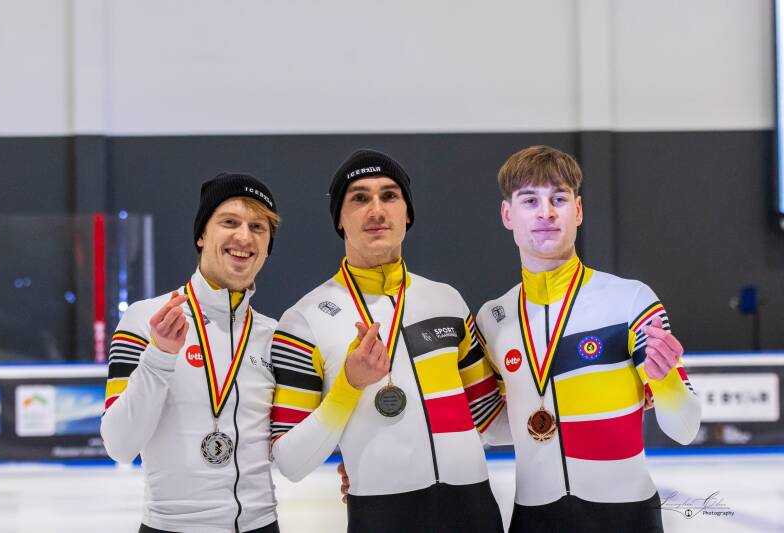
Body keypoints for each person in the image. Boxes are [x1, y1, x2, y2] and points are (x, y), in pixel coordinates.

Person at [270, 149, 507, 533]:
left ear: (407, 214)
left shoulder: (446, 299)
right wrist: (348, 387)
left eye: (389, 195)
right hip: (382, 518)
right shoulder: (304, 321)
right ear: (340, 220)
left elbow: (491, 421)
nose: (376, 210)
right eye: (359, 198)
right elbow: (291, 462)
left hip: (475, 511)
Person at [476, 146, 701, 532]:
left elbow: (684, 429)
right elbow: (494, 427)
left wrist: (664, 381)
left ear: (577, 211)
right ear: (507, 215)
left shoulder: (631, 300)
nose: (546, 212)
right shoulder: (493, 319)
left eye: (558, 199)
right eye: (529, 200)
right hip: (534, 518)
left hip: (626, 518)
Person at [100, 173, 282, 533]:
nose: (244, 237)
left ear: (267, 246)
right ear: (202, 235)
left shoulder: (273, 336)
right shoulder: (145, 319)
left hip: (262, 524)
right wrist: (160, 356)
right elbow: (119, 445)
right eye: (229, 222)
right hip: (171, 527)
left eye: (258, 227)